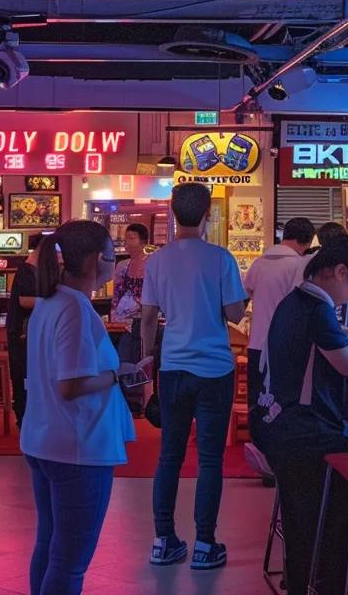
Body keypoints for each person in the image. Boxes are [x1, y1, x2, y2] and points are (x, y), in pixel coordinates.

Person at [21, 220, 139, 595]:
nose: (114, 261)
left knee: (50, 545)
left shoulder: (51, 301)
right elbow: (71, 384)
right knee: (69, 563)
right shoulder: (73, 307)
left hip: (46, 438)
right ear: (93, 260)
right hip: (77, 446)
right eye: (111, 254)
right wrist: (116, 375)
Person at [254, 235, 348, 595]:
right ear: (339, 272)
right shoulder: (319, 310)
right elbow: (347, 366)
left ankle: (305, 578)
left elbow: (324, 335)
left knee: (301, 519)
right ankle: (336, 572)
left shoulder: (295, 300)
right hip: (304, 435)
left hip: (276, 426)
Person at [140, 182, 248, 570]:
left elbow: (148, 317)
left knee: (169, 455)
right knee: (210, 459)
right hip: (215, 369)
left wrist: (147, 359)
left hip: (172, 367)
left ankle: (163, 540)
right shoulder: (221, 259)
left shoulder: (157, 261)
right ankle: (204, 544)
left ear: (172, 213)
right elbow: (235, 313)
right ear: (208, 215)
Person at [243, 217, 315, 410]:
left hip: (257, 344)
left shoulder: (259, 262)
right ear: (307, 241)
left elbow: (245, 295)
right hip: (285, 346)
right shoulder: (300, 266)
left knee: (256, 404)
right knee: (281, 407)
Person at [7, 234, 48, 427]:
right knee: (24, 376)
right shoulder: (27, 270)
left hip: (28, 333)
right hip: (23, 334)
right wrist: (53, 302)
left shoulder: (34, 270)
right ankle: (24, 418)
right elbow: (24, 300)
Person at [111, 224, 152, 413]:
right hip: (123, 321)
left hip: (144, 319)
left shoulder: (151, 264)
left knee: (139, 359)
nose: (127, 243)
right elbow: (116, 295)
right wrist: (115, 316)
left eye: (132, 238)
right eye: (126, 238)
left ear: (143, 241)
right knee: (122, 359)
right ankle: (126, 400)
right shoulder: (122, 266)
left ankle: (138, 400)